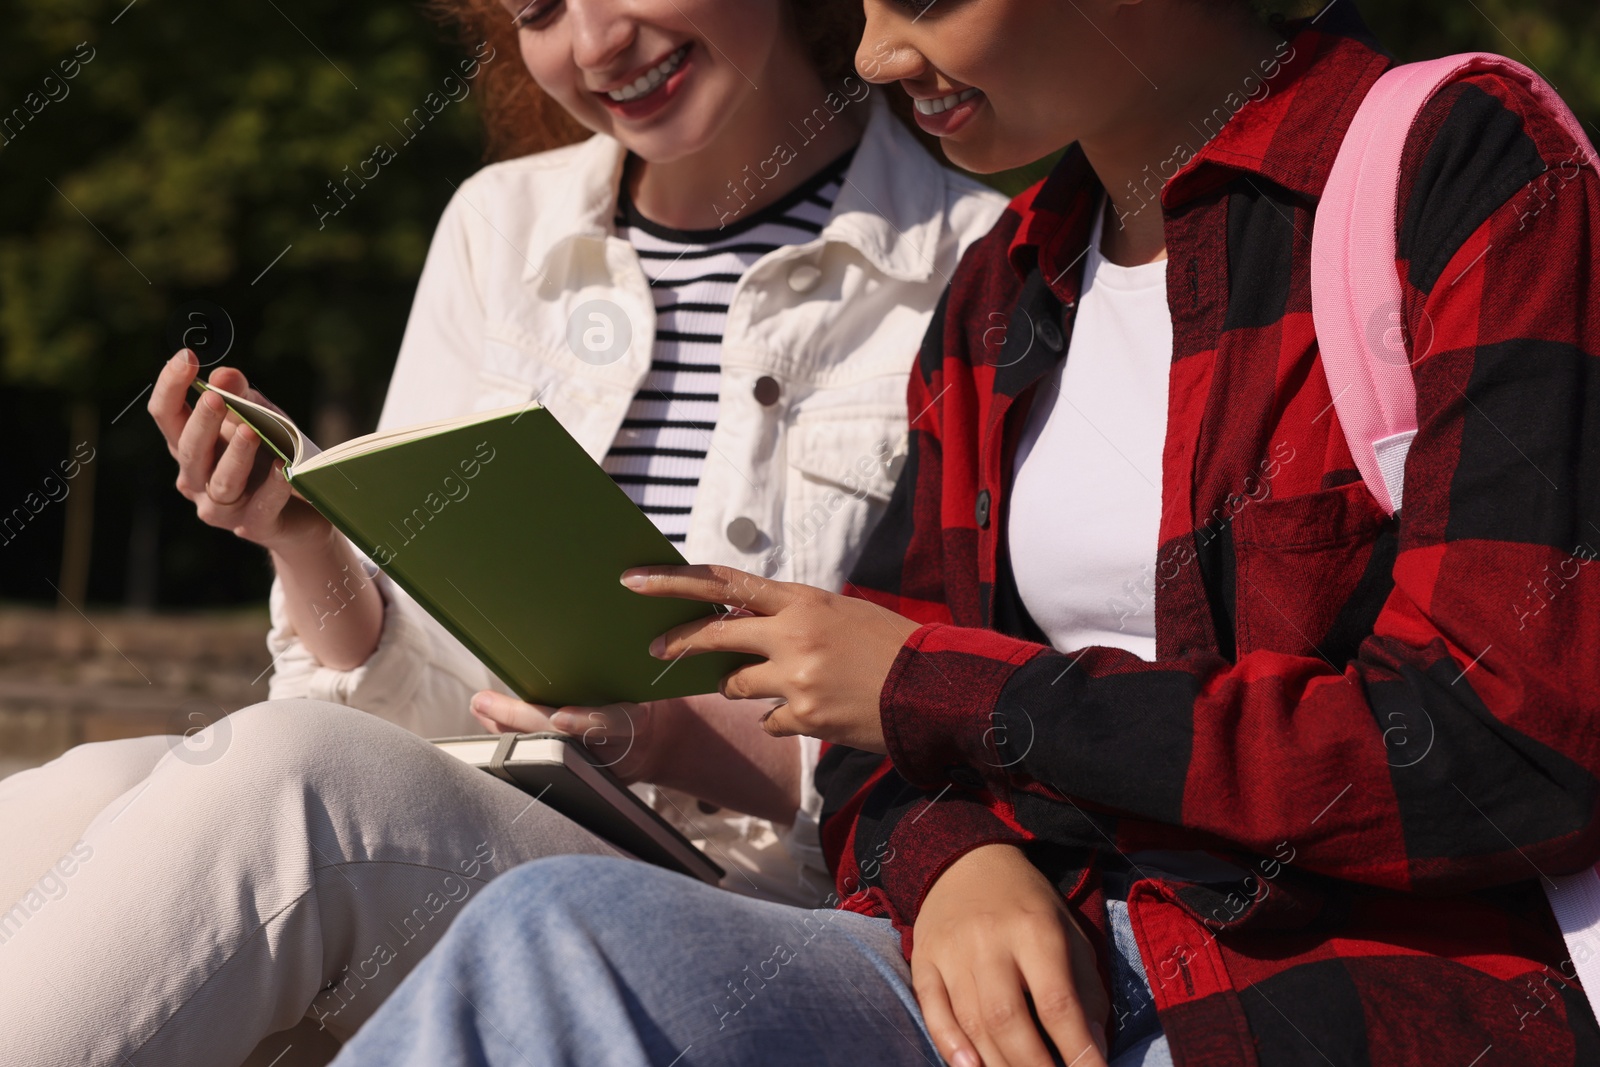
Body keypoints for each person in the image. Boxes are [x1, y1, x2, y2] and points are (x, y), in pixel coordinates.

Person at [326, 0, 1600, 1065]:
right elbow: (877, 726)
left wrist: (963, 700)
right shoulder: (1007, 282)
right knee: (552, 931)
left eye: (924, 0)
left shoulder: (1463, 164)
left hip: (1347, 1003)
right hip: (1025, 977)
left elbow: (1509, 745)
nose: (875, 53)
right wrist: (957, 861)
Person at [0, 0, 1005, 1062]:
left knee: (290, 788)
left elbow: (974, 717)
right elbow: (417, 703)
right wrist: (303, 538)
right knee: (83, 794)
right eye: (536, 10)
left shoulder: (978, 259)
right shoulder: (502, 224)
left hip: (782, 898)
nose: (594, 44)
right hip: (503, 817)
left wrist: (661, 730)